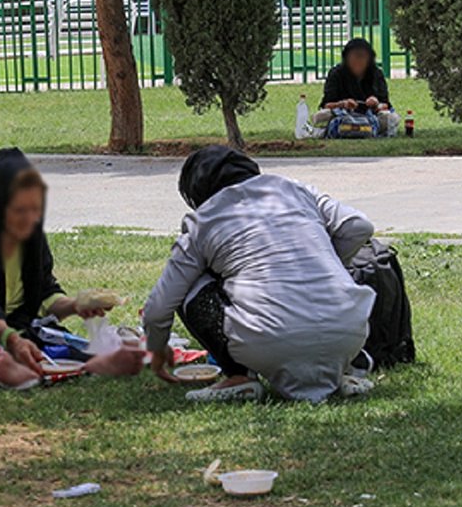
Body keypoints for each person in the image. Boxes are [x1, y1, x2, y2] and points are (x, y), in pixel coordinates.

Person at [142, 146, 377, 403]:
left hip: (269, 343)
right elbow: (359, 226)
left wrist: (157, 351)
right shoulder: (296, 190)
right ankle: (343, 370)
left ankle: (239, 377)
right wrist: (330, 260)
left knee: (189, 283)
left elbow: (158, 308)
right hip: (350, 334)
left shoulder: (202, 222)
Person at [0, 148, 143, 388]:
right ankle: (7, 369)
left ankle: (29, 367)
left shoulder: (32, 235)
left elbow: (44, 293)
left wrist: (76, 305)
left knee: (71, 350)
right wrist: (12, 340)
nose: (29, 219)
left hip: (15, 327)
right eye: (19, 210)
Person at [315, 38, 400, 137]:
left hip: (371, 115)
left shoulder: (376, 73)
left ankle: (363, 129)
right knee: (321, 116)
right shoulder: (336, 73)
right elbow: (327, 105)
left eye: (362, 57)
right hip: (341, 114)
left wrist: (376, 104)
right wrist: (343, 104)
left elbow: (385, 105)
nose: (358, 61)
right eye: (354, 57)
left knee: (391, 118)